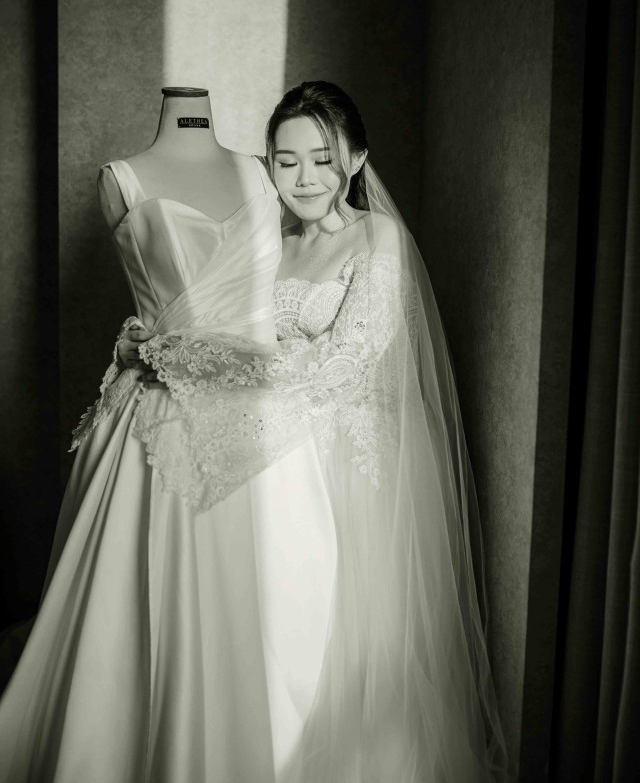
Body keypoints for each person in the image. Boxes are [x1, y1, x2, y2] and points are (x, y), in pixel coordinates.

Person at [119, 80, 510, 782]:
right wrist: (158, 343)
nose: (303, 178)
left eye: (323, 159)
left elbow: (347, 361)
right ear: (267, 163)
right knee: (266, 620)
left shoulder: (378, 237)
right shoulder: (271, 242)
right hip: (279, 441)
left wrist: (200, 361)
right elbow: (214, 322)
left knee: (343, 635)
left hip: (346, 455)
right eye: (286, 160)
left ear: (356, 159)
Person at [0, 87, 337, 783]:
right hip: (155, 419)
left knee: (274, 608)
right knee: (135, 613)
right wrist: (140, 341)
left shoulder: (260, 173)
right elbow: (158, 306)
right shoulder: (121, 180)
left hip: (263, 428)